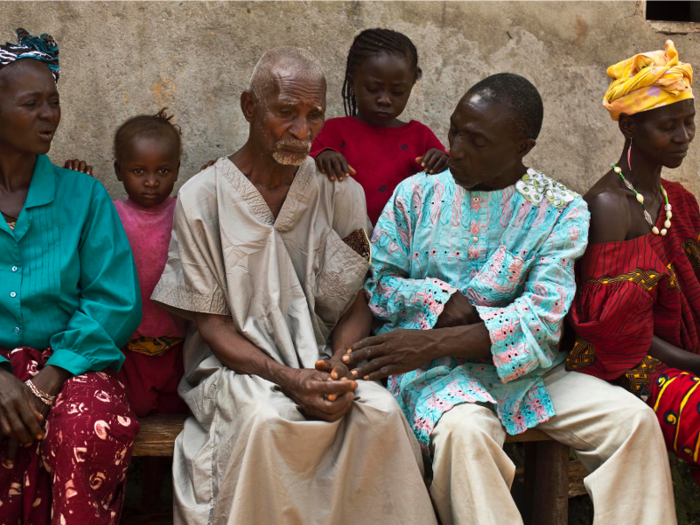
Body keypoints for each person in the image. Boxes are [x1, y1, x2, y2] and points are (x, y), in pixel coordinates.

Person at [343, 73, 677, 525]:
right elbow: (378, 283)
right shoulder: (416, 195)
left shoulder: (560, 210)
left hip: (530, 374)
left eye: (476, 141)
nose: (456, 148)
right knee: (465, 433)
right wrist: (438, 297)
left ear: (523, 146)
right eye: (454, 130)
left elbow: (541, 322)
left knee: (632, 422)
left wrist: (435, 341)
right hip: (434, 376)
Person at [152, 47, 437, 525]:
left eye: (313, 116)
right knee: (267, 420)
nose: (302, 132)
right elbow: (215, 328)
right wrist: (289, 379)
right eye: (286, 113)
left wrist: (340, 371)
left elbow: (355, 302)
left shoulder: (341, 190)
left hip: (324, 358)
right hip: (236, 371)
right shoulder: (204, 197)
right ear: (250, 107)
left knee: (379, 412)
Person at [0, 29, 141, 524]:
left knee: (91, 425)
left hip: (71, 365)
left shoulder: (83, 196)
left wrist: (49, 378)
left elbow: (113, 300)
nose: (49, 115)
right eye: (31, 103)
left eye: (53, 102)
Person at [566, 41, 700, 482]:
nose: (682, 137)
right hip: (625, 365)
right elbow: (616, 335)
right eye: (668, 126)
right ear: (629, 127)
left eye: (689, 123)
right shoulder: (609, 206)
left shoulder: (678, 200)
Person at [310, 28, 448, 224]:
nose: (384, 100)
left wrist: (443, 161)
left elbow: (450, 182)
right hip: (344, 243)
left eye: (398, 92)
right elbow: (300, 173)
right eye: (373, 89)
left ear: (411, 84)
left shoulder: (420, 137)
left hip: (404, 245)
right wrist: (321, 157)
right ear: (352, 82)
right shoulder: (333, 132)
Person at [112, 108, 188, 418]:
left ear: (178, 170)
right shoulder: (111, 214)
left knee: (177, 411)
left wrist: (216, 184)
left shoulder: (184, 212)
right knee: (136, 411)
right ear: (119, 171)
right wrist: (78, 181)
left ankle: (165, 470)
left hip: (179, 344)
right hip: (130, 348)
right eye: (139, 171)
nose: (152, 182)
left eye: (164, 171)